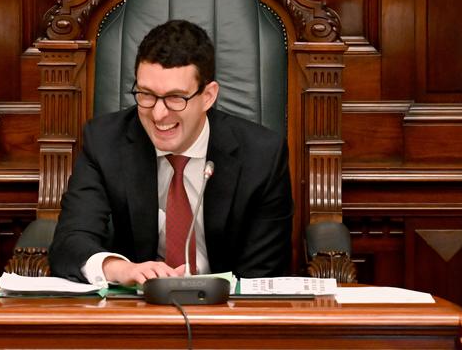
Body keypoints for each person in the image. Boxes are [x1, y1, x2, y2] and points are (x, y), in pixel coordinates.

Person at [49, 19, 293, 287]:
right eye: (146, 94)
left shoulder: (262, 156)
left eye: (176, 97)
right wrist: (119, 268)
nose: (158, 114)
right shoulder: (105, 142)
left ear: (208, 96)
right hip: (136, 314)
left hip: (228, 316)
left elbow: (263, 275)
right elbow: (70, 243)